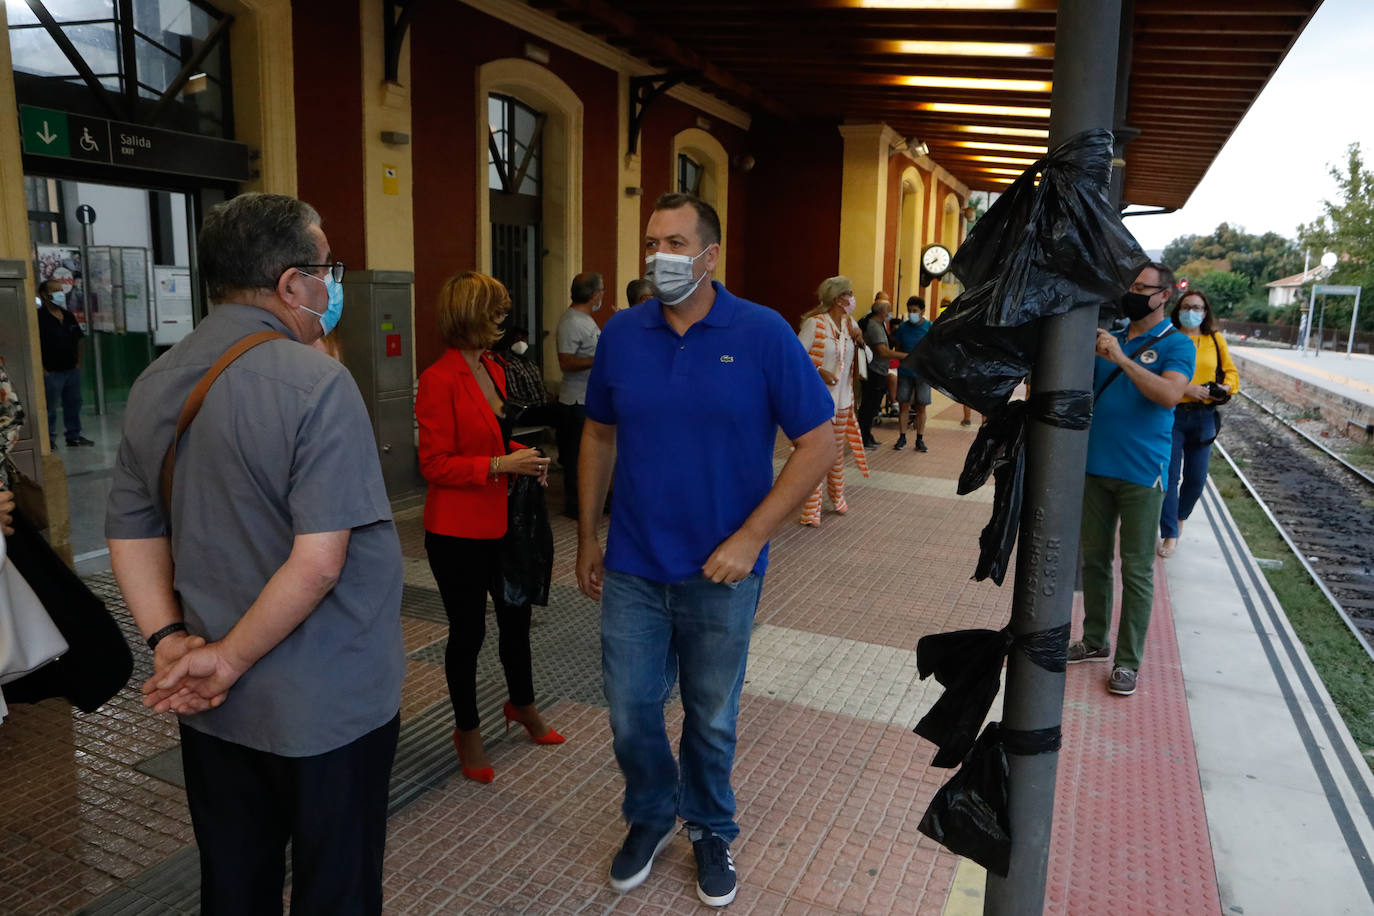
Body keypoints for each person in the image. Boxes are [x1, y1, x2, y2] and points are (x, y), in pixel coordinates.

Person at [105, 192, 404, 914]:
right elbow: (320, 560)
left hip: (212, 700)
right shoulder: (317, 384)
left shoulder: (155, 379)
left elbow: (132, 530)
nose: (332, 285)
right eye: (327, 267)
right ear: (290, 283)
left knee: (234, 881)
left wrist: (174, 644)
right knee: (337, 887)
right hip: (326, 704)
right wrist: (232, 658)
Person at [576, 192, 835, 907]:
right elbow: (598, 433)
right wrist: (587, 535)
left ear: (710, 255)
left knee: (711, 715)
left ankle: (711, 826)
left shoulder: (762, 333)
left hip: (721, 573)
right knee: (630, 708)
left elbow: (819, 443)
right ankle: (652, 815)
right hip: (632, 561)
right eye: (653, 243)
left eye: (676, 243)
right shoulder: (623, 335)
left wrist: (752, 538)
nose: (661, 257)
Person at [416, 271, 564, 784]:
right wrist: (500, 467)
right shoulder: (438, 379)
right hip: (457, 530)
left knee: (516, 619)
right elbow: (434, 464)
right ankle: (468, 731)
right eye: (495, 311)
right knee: (468, 633)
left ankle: (522, 704)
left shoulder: (494, 370)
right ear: (471, 315)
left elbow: (494, 442)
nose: (503, 319)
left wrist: (524, 459)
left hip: (505, 518)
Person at [1070, 262, 1195, 698]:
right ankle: (1094, 640)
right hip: (1095, 467)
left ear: (1164, 296)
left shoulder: (1176, 344)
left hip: (1143, 473)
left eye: (1143, 287)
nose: (1133, 293)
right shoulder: (1114, 338)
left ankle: (1127, 663)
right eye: (1131, 286)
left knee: (1138, 570)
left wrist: (1121, 359)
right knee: (1094, 561)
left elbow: (1169, 395)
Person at [1158, 289, 1238, 557]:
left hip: (1204, 417)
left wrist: (1224, 387)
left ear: (1206, 313)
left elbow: (1231, 373)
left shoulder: (1215, 340)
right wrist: (1186, 389)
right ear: (1178, 309)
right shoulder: (1168, 337)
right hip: (1173, 414)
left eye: (1198, 308)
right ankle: (1169, 533)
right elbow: (1157, 377)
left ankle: (1180, 517)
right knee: (1169, 476)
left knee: (1197, 477)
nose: (1192, 312)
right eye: (1187, 306)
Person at [797, 276, 871, 526]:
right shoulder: (815, 324)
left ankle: (837, 497)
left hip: (844, 402)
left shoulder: (851, 325)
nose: (853, 299)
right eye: (849, 294)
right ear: (838, 298)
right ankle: (810, 511)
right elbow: (796, 357)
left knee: (836, 455)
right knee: (817, 454)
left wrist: (860, 340)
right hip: (819, 403)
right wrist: (819, 369)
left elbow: (867, 362)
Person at [556, 272, 603, 520]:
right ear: (593, 294)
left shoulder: (586, 320)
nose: (602, 296)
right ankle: (574, 505)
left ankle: (591, 501)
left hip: (587, 398)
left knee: (588, 455)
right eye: (601, 291)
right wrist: (600, 359)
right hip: (574, 400)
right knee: (575, 456)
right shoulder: (571, 322)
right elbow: (566, 361)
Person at [37, 279, 92, 447]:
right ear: (45, 295)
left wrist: (78, 364)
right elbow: (34, 344)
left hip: (71, 370)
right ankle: (49, 440)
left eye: (61, 289)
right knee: (49, 408)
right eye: (55, 290)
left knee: (74, 403)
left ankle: (73, 435)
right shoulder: (39, 318)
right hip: (51, 371)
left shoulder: (67, 316)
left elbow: (79, 341)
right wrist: (43, 369)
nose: (60, 293)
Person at [857, 297, 904, 448]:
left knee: (873, 406)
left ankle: (867, 435)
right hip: (874, 371)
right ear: (883, 312)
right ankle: (863, 437)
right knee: (869, 406)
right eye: (888, 311)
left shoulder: (879, 324)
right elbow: (882, 352)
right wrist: (905, 356)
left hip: (879, 370)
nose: (890, 314)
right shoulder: (874, 327)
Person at [891, 296, 933, 452]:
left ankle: (919, 439)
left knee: (921, 406)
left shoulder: (930, 327)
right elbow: (898, 347)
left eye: (914, 311)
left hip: (922, 373)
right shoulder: (902, 327)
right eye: (909, 311)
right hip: (905, 372)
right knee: (904, 405)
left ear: (922, 311)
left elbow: (933, 348)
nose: (911, 314)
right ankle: (902, 437)